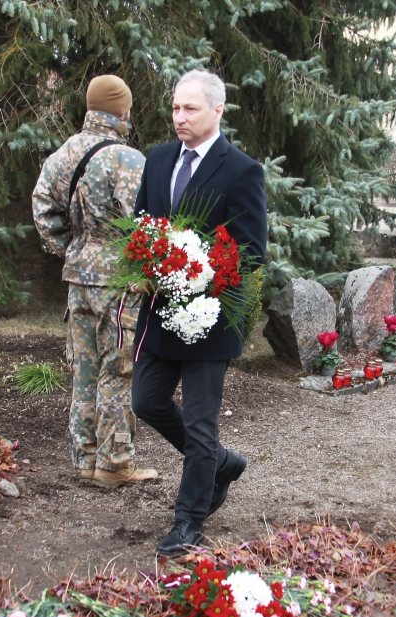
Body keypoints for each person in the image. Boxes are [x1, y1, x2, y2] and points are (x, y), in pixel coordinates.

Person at [129, 69, 268, 556]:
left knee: (202, 424)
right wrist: (144, 263)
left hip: (211, 317)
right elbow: (142, 226)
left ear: (217, 111)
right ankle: (222, 464)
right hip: (160, 310)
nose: (179, 117)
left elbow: (251, 252)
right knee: (146, 401)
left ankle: (189, 520)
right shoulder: (159, 158)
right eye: (174, 107)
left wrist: (199, 271)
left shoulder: (242, 170)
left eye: (189, 108)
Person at [32, 75, 158, 489]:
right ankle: (115, 463)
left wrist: (74, 249)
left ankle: (86, 458)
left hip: (78, 280)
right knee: (117, 370)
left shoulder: (63, 155)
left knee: (84, 368)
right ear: (122, 110)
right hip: (118, 284)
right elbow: (148, 224)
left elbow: (43, 212)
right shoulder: (127, 159)